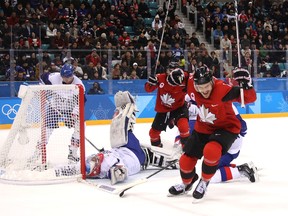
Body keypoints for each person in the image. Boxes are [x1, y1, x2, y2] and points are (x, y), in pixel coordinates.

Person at [168, 66, 257, 200]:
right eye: (200, 87)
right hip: (203, 127)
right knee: (185, 161)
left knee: (211, 150)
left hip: (226, 128)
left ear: (212, 82)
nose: (204, 91)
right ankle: (186, 184)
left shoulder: (223, 89)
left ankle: (204, 182)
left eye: (207, 86)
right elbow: (182, 78)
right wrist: (174, 77)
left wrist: (247, 84)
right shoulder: (192, 85)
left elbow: (249, 98)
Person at [85, 91, 177, 184]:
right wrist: (117, 173)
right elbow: (118, 173)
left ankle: (169, 159)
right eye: (94, 161)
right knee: (123, 129)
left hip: (123, 150)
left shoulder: (96, 165)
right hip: (133, 154)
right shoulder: (107, 168)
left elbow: (83, 166)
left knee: (121, 135)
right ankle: (127, 109)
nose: (93, 159)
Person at [173, 94, 258, 184]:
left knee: (211, 175)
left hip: (228, 145)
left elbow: (242, 127)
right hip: (220, 140)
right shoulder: (191, 96)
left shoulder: (222, 102)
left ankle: (242, 170)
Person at [35, 63, 86, 163]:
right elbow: (42, 78)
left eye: (68, 77)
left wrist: (73, 116)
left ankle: (73, 152)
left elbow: (81, 102)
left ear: (73, 75)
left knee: (80, 126)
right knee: (47, 130)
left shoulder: (79, 85)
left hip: (70, 107)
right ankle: (37, 152)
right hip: (55, 106)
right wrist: (43, 92)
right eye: (64, 77)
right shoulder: (54, 77)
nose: (66, 79)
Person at [144, 62, 190, 148]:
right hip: (163, 110)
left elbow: (194, 79)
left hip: (179, 107)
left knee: (184, 127)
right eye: (170, 70)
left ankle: (186, 150)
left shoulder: (185, 78)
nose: (172, 73)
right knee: (153, 134)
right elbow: (148, 89)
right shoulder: (160, 77)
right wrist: (150, 83)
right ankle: (157, 150)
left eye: (174, 71)